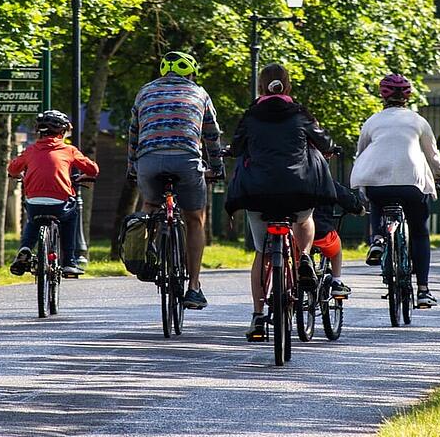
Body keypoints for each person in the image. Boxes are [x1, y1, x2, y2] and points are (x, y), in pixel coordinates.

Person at [225, 63, 340, 341]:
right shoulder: (300, 114)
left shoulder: (251, 116)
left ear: (261, 88)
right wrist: (331, 148)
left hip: (258, 193)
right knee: (305, 217)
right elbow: (323, 141)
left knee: (261, 254)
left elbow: (237, 147)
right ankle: (303, 258)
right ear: (287, 87)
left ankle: (257, 316)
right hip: (297, 190)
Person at [127, 50, 225, 310]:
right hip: (186, 160)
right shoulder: (200, 93)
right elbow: (211, 136)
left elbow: (134, 134)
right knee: (195, 218)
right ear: (190, 73)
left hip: (148, 161)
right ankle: (193, 286)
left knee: (150, 206)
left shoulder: (144, 92)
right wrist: (217, 168)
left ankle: (151, 255)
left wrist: (132, 168)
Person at [352, 73, 440, 309]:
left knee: (376, 200)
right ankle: (423, 290)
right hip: (411, 184)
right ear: (408, 97)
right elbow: (432, 156)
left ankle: (378, 239)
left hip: (378, 184)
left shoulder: (372, 121)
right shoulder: (418, 121)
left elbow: (361, 152)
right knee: (419, 233)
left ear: (382, 96)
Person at [8, 110, 99, 277]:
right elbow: (93, 169)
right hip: (60, 204)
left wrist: (17, 175)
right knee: (71, 216)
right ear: (62, 132)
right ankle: (69, 262)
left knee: (33, 220)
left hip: (35, 202)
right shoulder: (68, 150)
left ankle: (25, 249)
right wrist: (86, 176)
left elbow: (12, 168)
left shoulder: (30, 150)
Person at [311, 180, 366, 298]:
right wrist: (358, 208)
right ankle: (337, 281)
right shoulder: (325, 181)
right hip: (322, 234)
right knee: (337, 248)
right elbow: (345, 197)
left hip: (297, 234)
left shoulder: (297, 179)